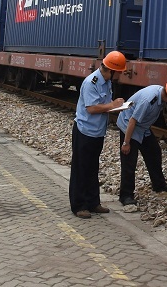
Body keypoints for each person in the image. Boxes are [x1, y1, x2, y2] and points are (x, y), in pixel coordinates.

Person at [69, 51, 127, 219]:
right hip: (85, 131)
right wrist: (113, 105)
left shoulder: (106, 81)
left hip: (97, 132)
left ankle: (93, 202)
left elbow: (103, 105)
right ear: (111, 70)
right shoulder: (91, 82)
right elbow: (92, 108)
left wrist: (116, 106)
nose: (119, 76)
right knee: (81, 168)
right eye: (118, 73)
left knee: (93, 167)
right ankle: (79, 205)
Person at [116, 80, 167, 206]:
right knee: (129, 161)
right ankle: (126, 195)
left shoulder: (160, 93)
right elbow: (132, 121)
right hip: (129, 127)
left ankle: (159, 184)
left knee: (154, 152)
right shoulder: (148, 101)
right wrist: (126, 143)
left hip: (143, 128)